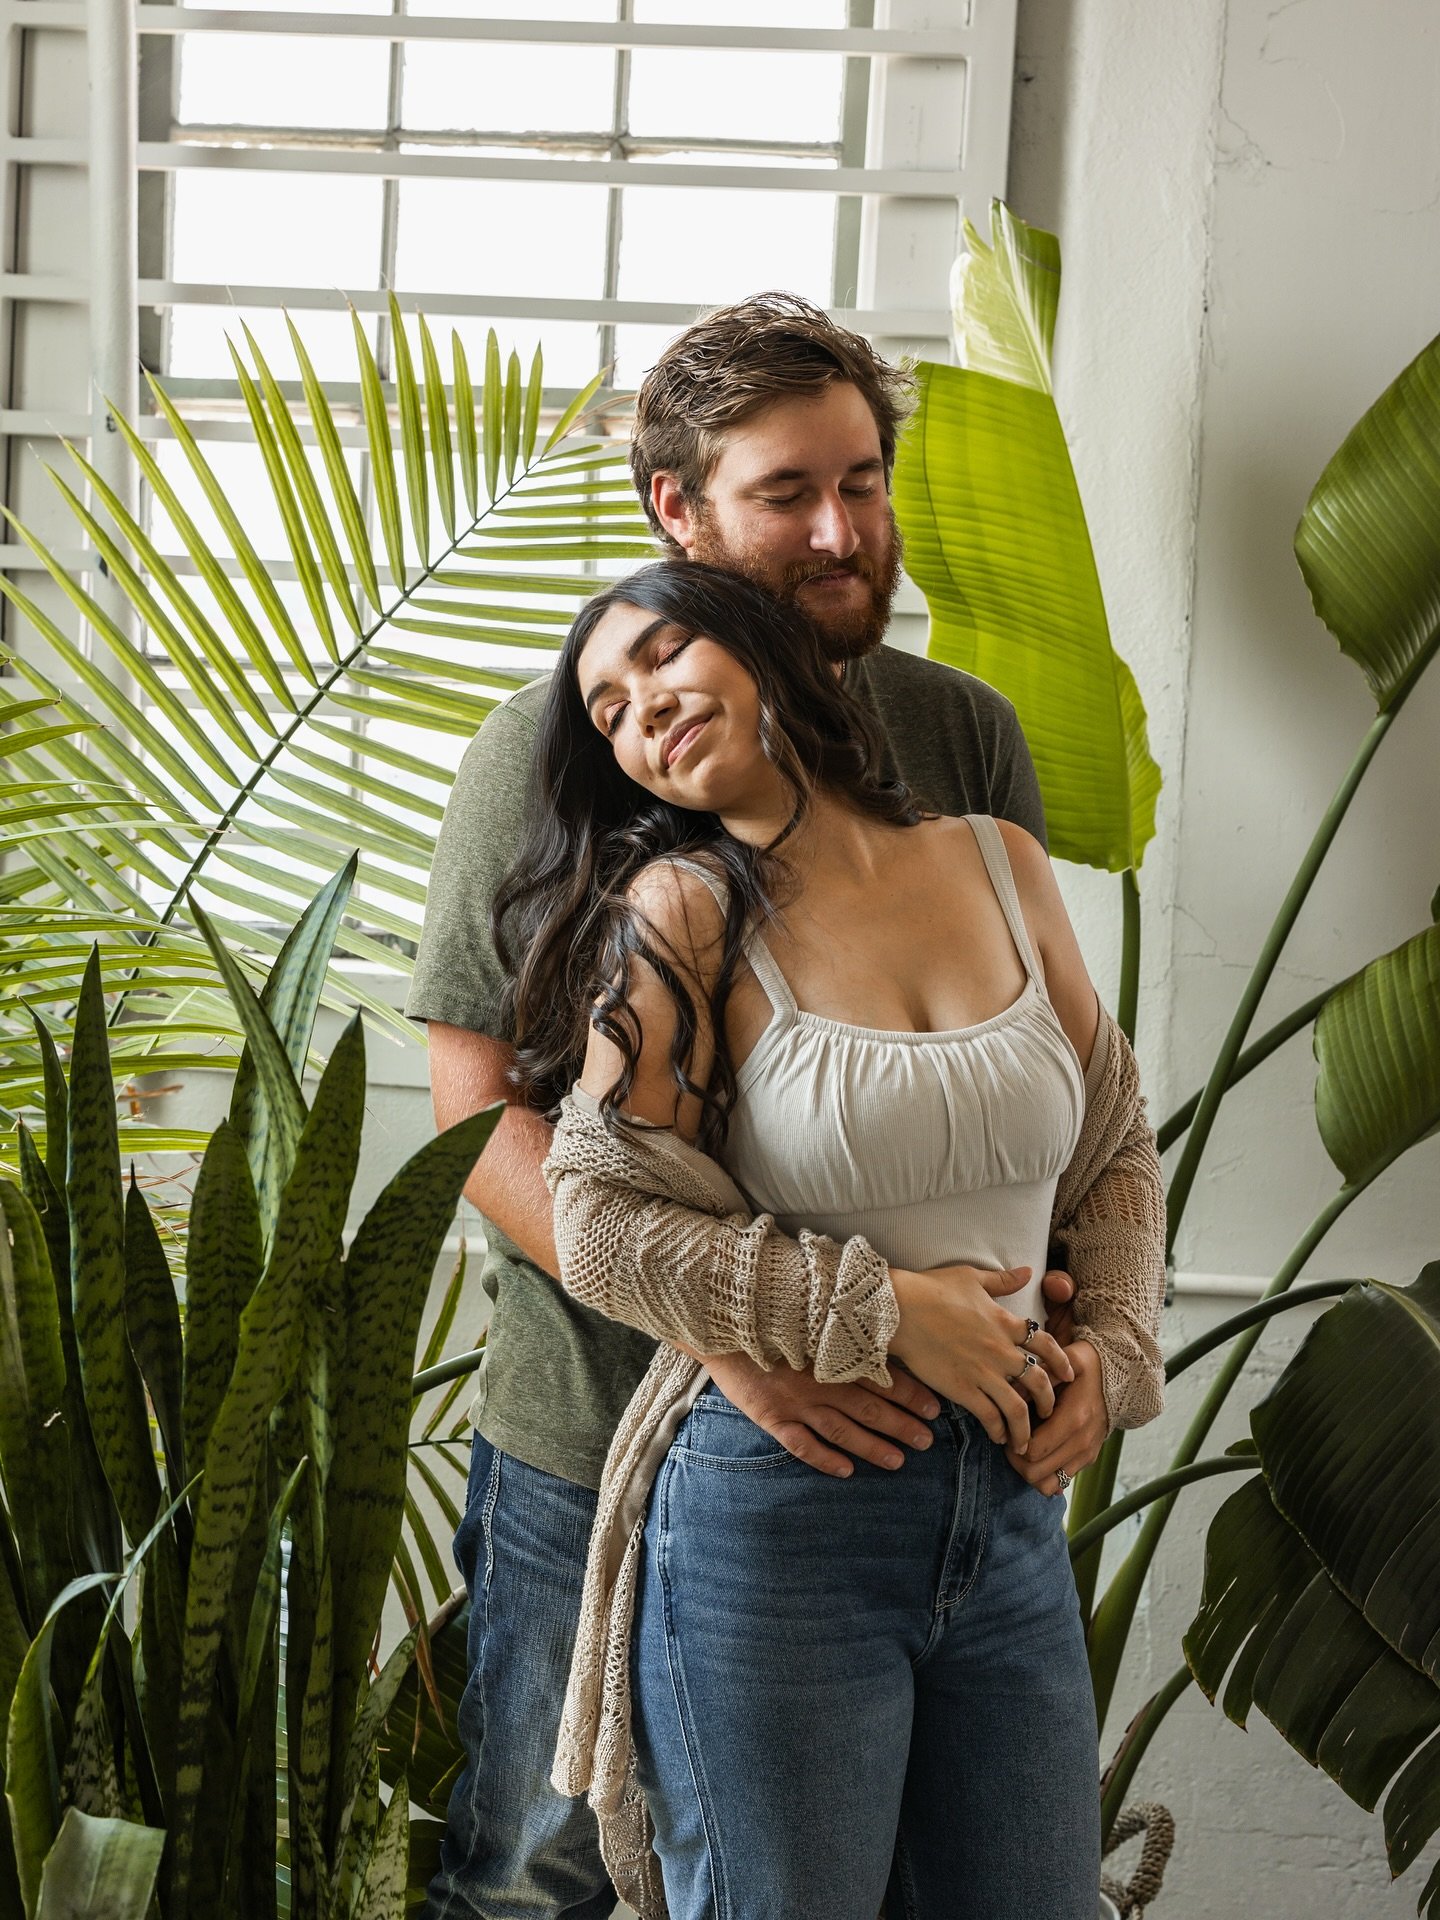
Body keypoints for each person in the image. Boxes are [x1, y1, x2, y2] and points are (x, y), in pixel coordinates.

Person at [409, 295, 1152, 1918]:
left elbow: (1059, 1105)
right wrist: (758, 1348)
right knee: (541, 1880)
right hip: (599, 1419)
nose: (841, 529)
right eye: (786, 493)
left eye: (865, 482)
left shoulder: (964, 743)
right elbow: (473, 1104)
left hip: (943, 1467)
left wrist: (1103, 1352)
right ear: (675, 512)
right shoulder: (551, 750)